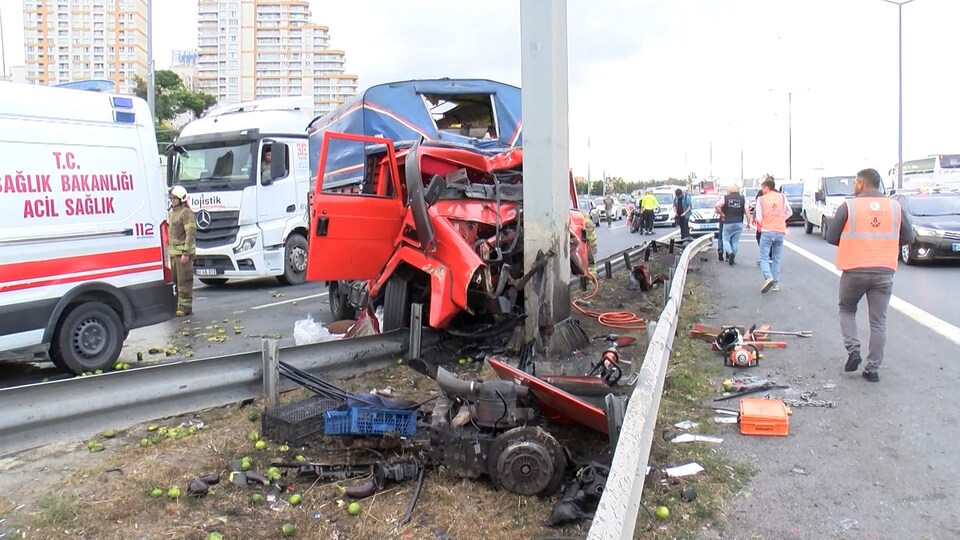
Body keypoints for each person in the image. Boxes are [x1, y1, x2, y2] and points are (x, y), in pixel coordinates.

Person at [826, 168, 913, 382]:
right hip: (884, 271)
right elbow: (909, 237)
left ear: (861, 184)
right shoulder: (895, 207)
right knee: (878, 321)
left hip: (854, 269)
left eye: (855, 182)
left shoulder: (849, 206)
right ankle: (873, 369)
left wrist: (853, 244)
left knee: (847, 309)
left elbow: (830, 236)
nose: (854, 185)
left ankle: (853, 349)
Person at [754, 178, 791, 293]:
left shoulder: (761, 200)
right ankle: (775, 284)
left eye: (763, 188)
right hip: (780, 230)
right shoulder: (783, 197)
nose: (762, 190)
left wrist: (764, 223)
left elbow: (759, 217)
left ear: (766, 187)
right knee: (776, 258)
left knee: (764, 257)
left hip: (767, 231)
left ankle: (768, 276)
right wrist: (780, 219)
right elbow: (789, 212)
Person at [168, 186, 197, 317]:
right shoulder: (172, 213)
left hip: (182, 255)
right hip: (174, 255)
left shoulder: (187, 213)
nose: (172, 201)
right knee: (176, 283)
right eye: (171, 198)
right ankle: (179, 306)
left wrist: (186, 253)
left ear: (181, 199)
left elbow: (190, 234)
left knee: (184, 282)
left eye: (174, 198)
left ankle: (185, 308)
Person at [715, 184, 747, 265]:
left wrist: (722, 214)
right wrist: (749, 223)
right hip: (739, 222)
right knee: (735, 241)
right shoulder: (742, 198)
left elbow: (717, 206)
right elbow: (747, 211)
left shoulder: (725, 198)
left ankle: (729, 253)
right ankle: (732, 256)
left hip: (728, 222)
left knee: (725, 239)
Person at [581, 209, 599, 274]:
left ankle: (592, 277)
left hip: (591, 244)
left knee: (591, 261)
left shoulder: (588, 224)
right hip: (590, 244)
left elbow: (588, 236)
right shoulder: (587, 222)